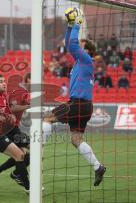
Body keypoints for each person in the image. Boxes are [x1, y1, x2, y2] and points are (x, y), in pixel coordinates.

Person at [50, 8, 106, 187]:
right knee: (76, 140)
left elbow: (72, 44)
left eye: (81, 44)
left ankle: (34, 157)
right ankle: (98, 167)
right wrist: (69, 26)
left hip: (78, 104)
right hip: (84, 106)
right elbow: (70, 43)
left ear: (86, 49)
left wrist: (78, 24)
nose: (77, 46)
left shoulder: (86, 59)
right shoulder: (81, 62)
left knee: (45, 118)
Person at [0, 73, 31, 186]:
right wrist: (29, 105)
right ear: (28, 80)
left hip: (13, 128)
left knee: (23, 153)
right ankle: (18, 175)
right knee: (27, 153)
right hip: (9, 129)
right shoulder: (20, 91)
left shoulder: (22, 92)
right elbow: (13, 108)